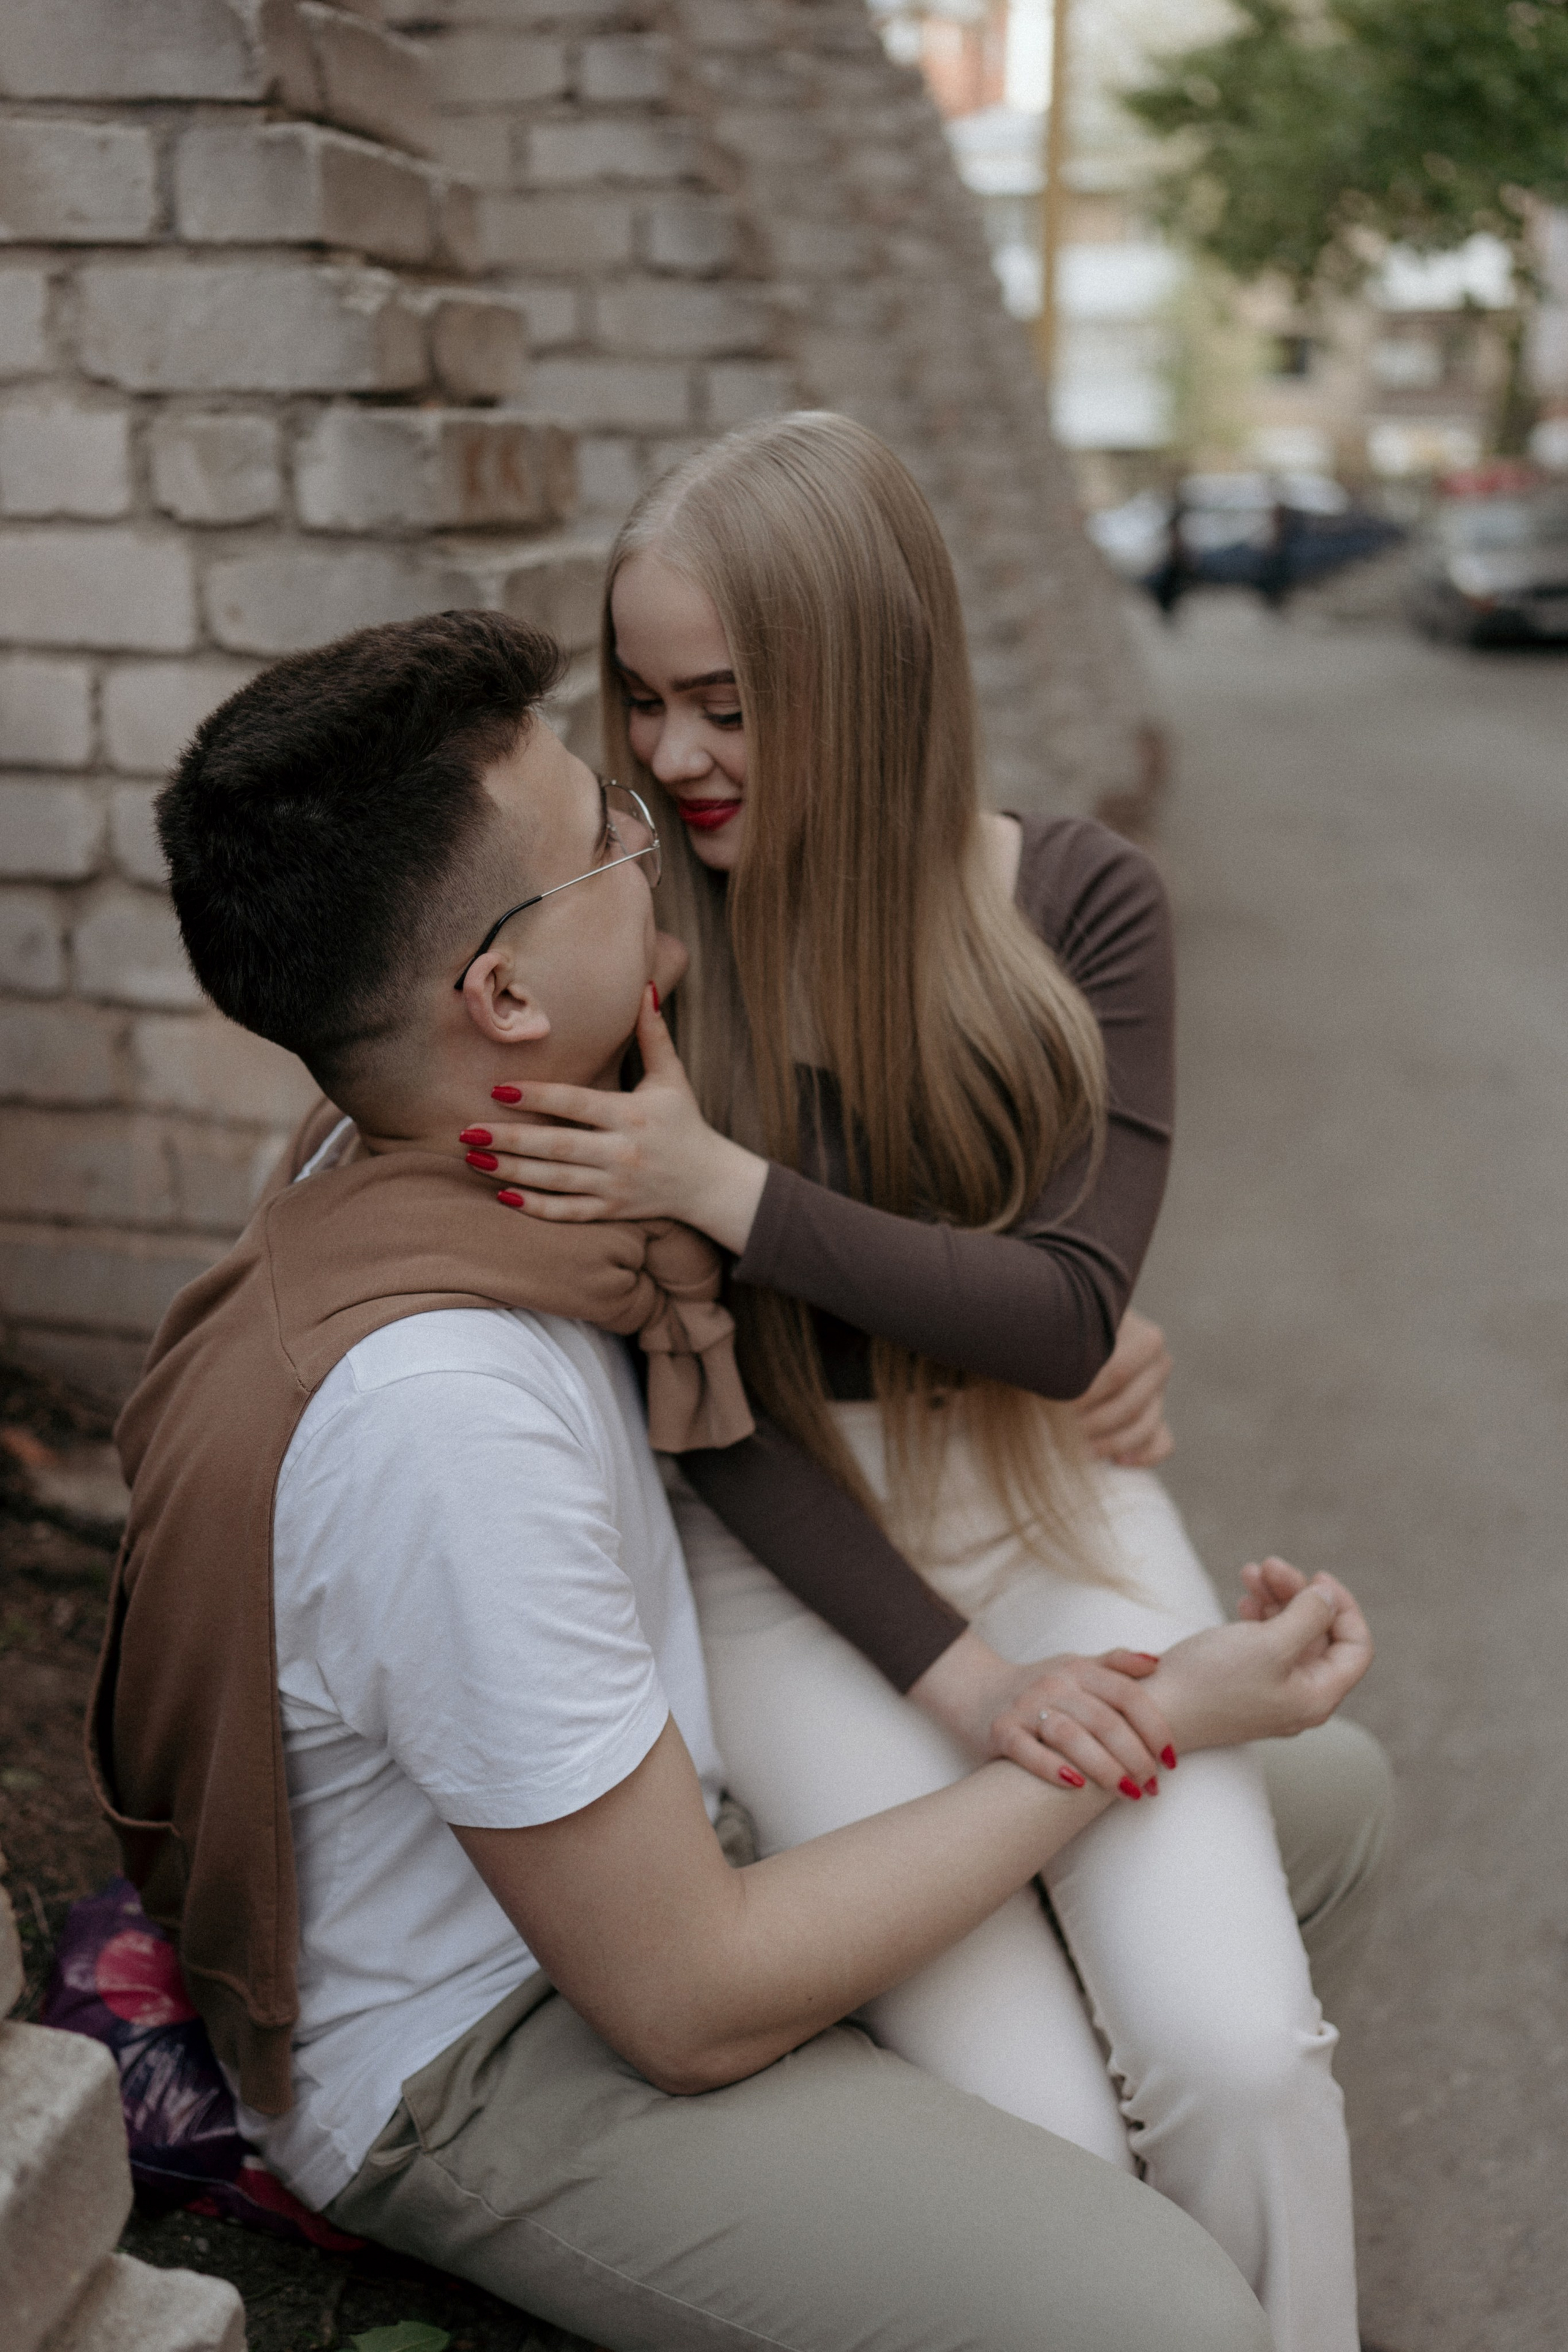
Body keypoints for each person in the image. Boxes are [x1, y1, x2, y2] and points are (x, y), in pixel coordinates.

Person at [96, 610, 1377, 2352]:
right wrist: (1145, 1718)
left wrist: (1061, 1331)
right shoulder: (444, 1411)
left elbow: (845, 1269)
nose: (657, 838)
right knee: (1165, 2315)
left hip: (651, 1821)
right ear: (506, 993)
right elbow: (686, 1999)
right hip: (504, 2034)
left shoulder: (473, 1146)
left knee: (1336, 1801)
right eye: (609, 835)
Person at [466, 414, 1384, 2352]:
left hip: (1055, 1490)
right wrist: (978, 1694)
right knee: (1033, 2129)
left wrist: (717, 1180)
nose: (671, 757)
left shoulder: (1082, 906)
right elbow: (709, 1428)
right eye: (641, 702)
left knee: (1235, 2056)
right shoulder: (640, 961)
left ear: (867, 685)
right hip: (788, 1561)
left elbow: (1058, 1319)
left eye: (725, 703)